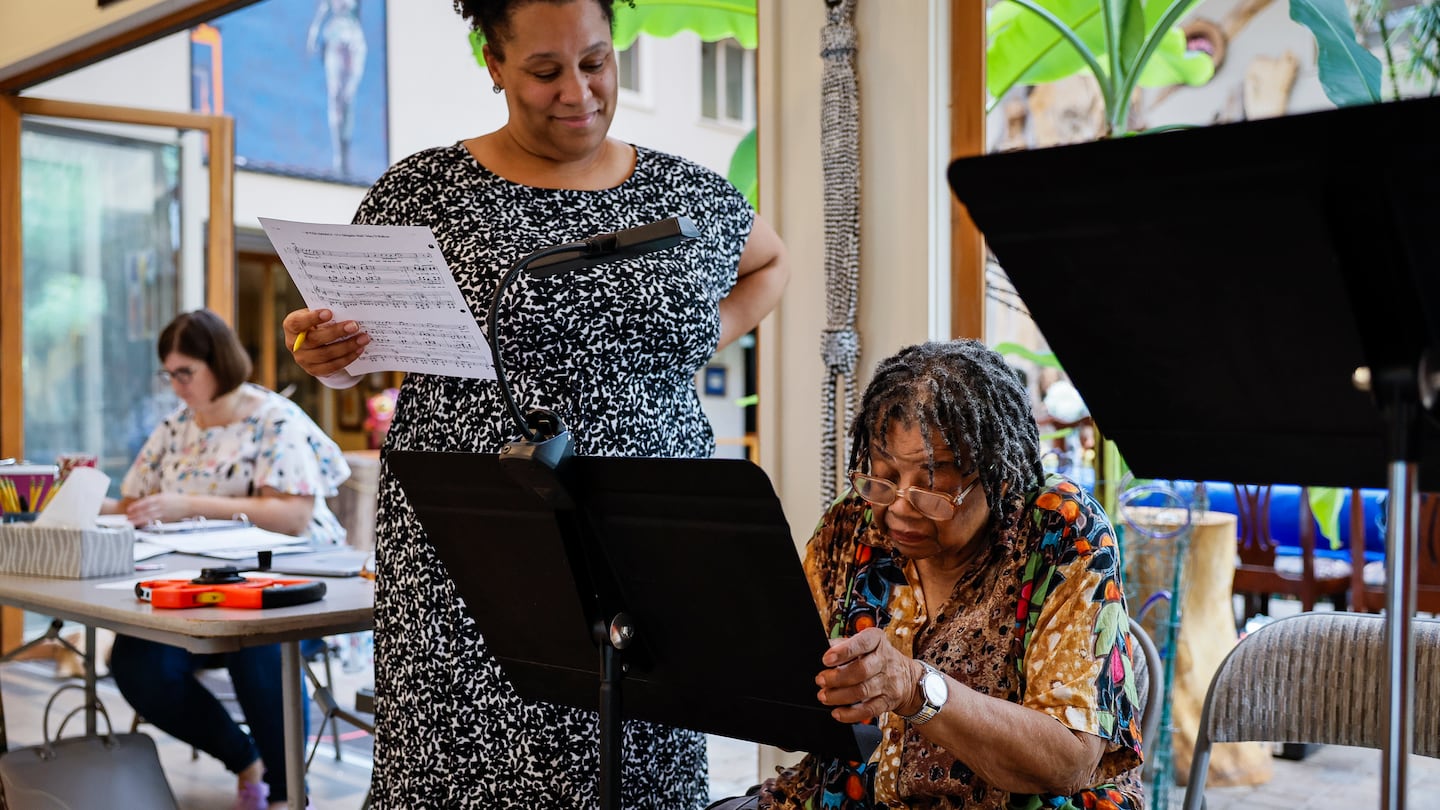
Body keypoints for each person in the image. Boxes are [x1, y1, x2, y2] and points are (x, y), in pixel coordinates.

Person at [281, 0, 789, 806]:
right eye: (546, 71)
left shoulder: (682, 191)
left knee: (635, 765)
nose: (578, 92)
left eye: (595, 63)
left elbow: (770, 263)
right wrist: (321, 353)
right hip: (473, 544)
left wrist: (696, 339)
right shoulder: (423, 190)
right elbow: (353, 354)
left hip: (639, 540)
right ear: (493, 62)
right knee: (466, 773)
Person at [713, 340, 1142, 810]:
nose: (900, 506)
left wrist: (916, 688)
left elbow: (1068, 761)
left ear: (997, 477)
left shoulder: (1063, 534)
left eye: (932, 489)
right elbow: (790, 687)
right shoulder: (853, 523)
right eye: (886, 475)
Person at [105, 309, 350, 810]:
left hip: (292, 583)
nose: (175, 385)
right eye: (168, 374)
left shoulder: (272, 419)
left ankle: (286, 795)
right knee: (135, 662)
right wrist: (76, 492)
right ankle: (245, 761)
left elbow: (293, 515)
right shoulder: (175, 428)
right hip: (199, 586)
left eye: (184, 372)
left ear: (219, 364)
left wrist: (190, 504)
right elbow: (136, 503)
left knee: (261, 650)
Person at [307, 0, 367, 178]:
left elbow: (358, 16)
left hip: (354, 42)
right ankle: (338, 159)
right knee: (336, 101)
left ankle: (345, 158)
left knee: (348, 100)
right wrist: (313, 36)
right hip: (334, 39)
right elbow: (321, 15)